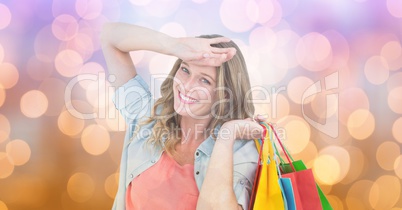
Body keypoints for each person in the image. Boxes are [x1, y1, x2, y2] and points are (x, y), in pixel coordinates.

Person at [101, 22, 266, 210]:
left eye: (204, 80)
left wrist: (226, 136)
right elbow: (110, 36)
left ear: (225, 94)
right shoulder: (147, 119)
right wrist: (175, 46)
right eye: (185, 69)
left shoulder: (242, 152)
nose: (187, 86)